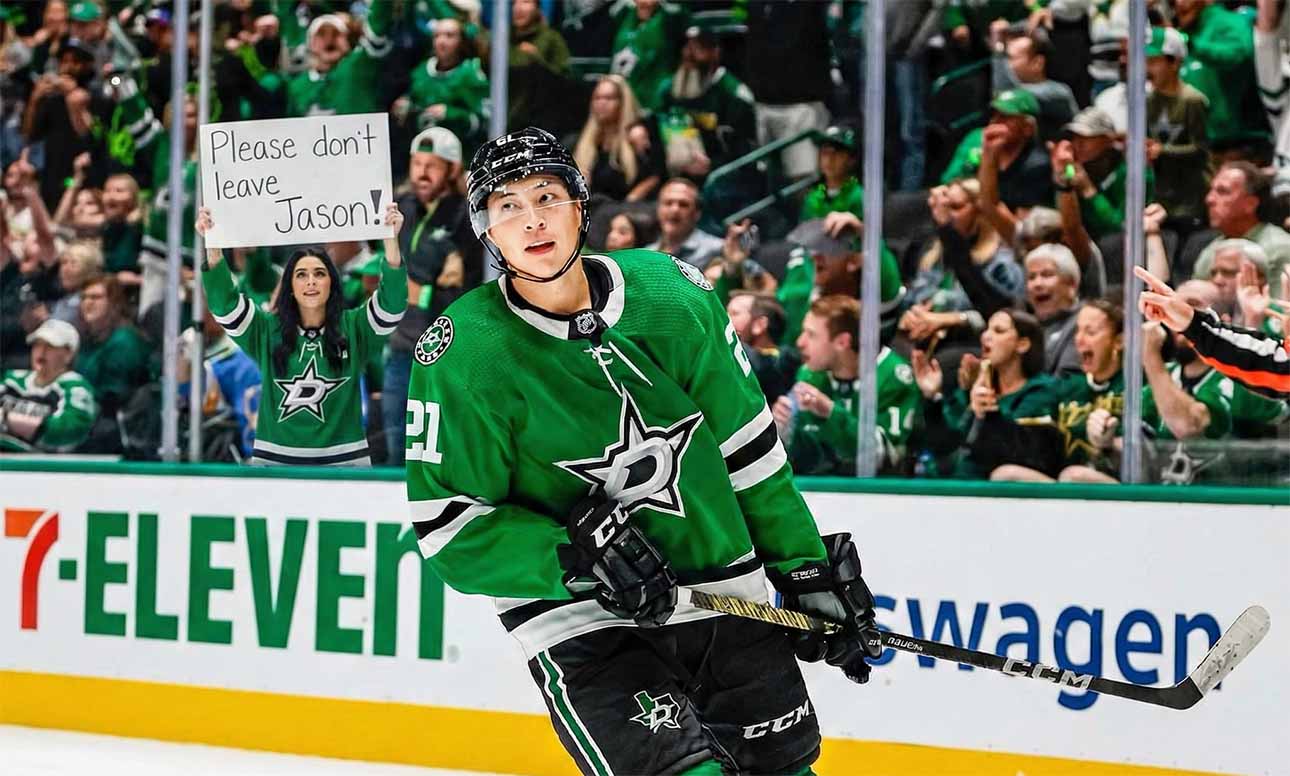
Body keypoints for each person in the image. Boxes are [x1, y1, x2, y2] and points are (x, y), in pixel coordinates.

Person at [405, 127, 882, 776]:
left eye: (546, 196)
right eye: (507, 206)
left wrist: (803, 569)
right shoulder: (464, 352)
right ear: (487, 231)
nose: (532, 220)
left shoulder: (672, 296)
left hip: (726, 589)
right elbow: (450, 530)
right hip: (586, 618)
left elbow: (751, 453)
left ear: (580, 206)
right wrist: (575, 558)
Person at [195, 203, 407, 466]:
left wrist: (391, 242)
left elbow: (392, 304)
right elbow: (225, 306)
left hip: (345, 469)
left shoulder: (354, 328)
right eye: (301, 275)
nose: (311, 282)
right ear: (290, 287)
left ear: (333, 283)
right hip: (276, 469)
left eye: (319, 273)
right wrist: (213, 247)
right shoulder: (267, 330)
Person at [385, 127, 477, 466]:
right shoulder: (401, 209)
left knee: (436, 454)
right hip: (400, 348)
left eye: (433, 165)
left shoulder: (465, 218)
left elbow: (463, 293)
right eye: (417, 163)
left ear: (453, 170)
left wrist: (419, 294)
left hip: (443, 356)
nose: (422, 173)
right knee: (395, 448)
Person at [773, 295, 920, 476]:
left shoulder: (894, 377)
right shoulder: (810, 374)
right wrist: (786, 432)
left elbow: (885, 458)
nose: (800, 342)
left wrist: (830, 412)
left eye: (811, 335)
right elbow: (814, 458)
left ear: (842, 342)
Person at [911, 309, 1062, 479]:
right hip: (949, 490)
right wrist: (933, 397)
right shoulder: (977, 387)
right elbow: (943, 444)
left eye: (998, 331)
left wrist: (987, 412)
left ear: (1022, 344)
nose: (985, 336)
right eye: (987, 329)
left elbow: (1019, 453)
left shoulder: (1042, 392)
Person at [995, 299, 1126, 483]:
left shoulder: (1137, 386)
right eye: (1077, 330)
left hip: (1119, 490)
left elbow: (1151, 452)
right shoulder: (1065, 387)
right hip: (1065, 486)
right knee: (1005, 475)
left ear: (1119, 341)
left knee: (1073, 476)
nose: (1079, 339)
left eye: (1090, 332)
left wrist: (1110, 444)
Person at [1138, 265, 1289, 397]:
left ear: (1224, 319)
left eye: (1193, 304)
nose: (1177, 308)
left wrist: (1151, 355)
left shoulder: (1219, 382)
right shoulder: (1171, 372)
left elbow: (1186, 426)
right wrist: (1191, 323)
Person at [1145, 26, 1210, 232]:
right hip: (1162, 194)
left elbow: (1200, 149)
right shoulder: (1148, 100)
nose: (1148, 69)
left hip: (1189, 197)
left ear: (1174, 63)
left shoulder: (1192, 100)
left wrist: (1162, 151)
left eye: (1154, 62)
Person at [1193, 162, 1290, 297]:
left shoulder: (1279, 249)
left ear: (1250, 204)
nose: (1209, 199)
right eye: (1211, 190)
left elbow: (1281, 311)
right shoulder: (1210, 251)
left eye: (1222, 191)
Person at [0, 318, 97, 453]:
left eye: (50, 346)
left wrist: (8, 419)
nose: (41, 351)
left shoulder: (77, 388)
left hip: (44, 467)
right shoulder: (11, 379)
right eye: (38, 345)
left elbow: (66, 431)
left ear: (69, 354)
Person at [395, 17, 489, 153]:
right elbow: (414, 100)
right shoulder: (421, 71)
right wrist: (405, 103)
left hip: (462, 156)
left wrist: (451, 114)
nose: (441, 41)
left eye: (449, 36)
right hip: (424, 152)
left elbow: (485, 122)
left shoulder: (472, 73)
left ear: (462, 41)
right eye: (437, 36)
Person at [286, 7, 392, 117]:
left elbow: (377, 28)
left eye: (336, 34)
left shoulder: (358, 66)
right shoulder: (295, 87)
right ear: (311, 43)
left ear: (348, 41)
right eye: (321, 34)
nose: (329, 40)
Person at [572, 75, 661, 202]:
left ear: (623, 102)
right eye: (597, 98)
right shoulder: (584, 141)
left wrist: (631, 200)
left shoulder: (639, 134)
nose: (602, 103)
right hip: (597, 207)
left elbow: (654, 176)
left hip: (632, 207)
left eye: (609, 98)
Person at [989, 25, 1079, 143]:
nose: (1006, 66)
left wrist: (998, 49)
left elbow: (1006, 93)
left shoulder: (1058, 93)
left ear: (1037, 63)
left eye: (1011, 58)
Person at [610, 0, 690, 114]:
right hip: (622, 94)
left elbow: (680, 13)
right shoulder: (623, 13)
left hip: (655, 99)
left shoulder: (670, 17)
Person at [1023, 243, 1082, 376]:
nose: (1037, 284)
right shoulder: (1025, 327)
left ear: (1071, 284)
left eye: (1047, 275)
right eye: (1031, 277)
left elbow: (1067, 380)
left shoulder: (1082, 321)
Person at [726, 290, 795, 404]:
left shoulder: (778, 362)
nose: (725, 318)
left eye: (734, 313)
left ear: (759, 325)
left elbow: (758, 364)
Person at [645, 177, 722, 267]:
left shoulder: (717, 249)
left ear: (697, 213)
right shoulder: (647, 253)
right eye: (668, 203)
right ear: (658, 209)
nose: (675, 210)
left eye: (683, 205)